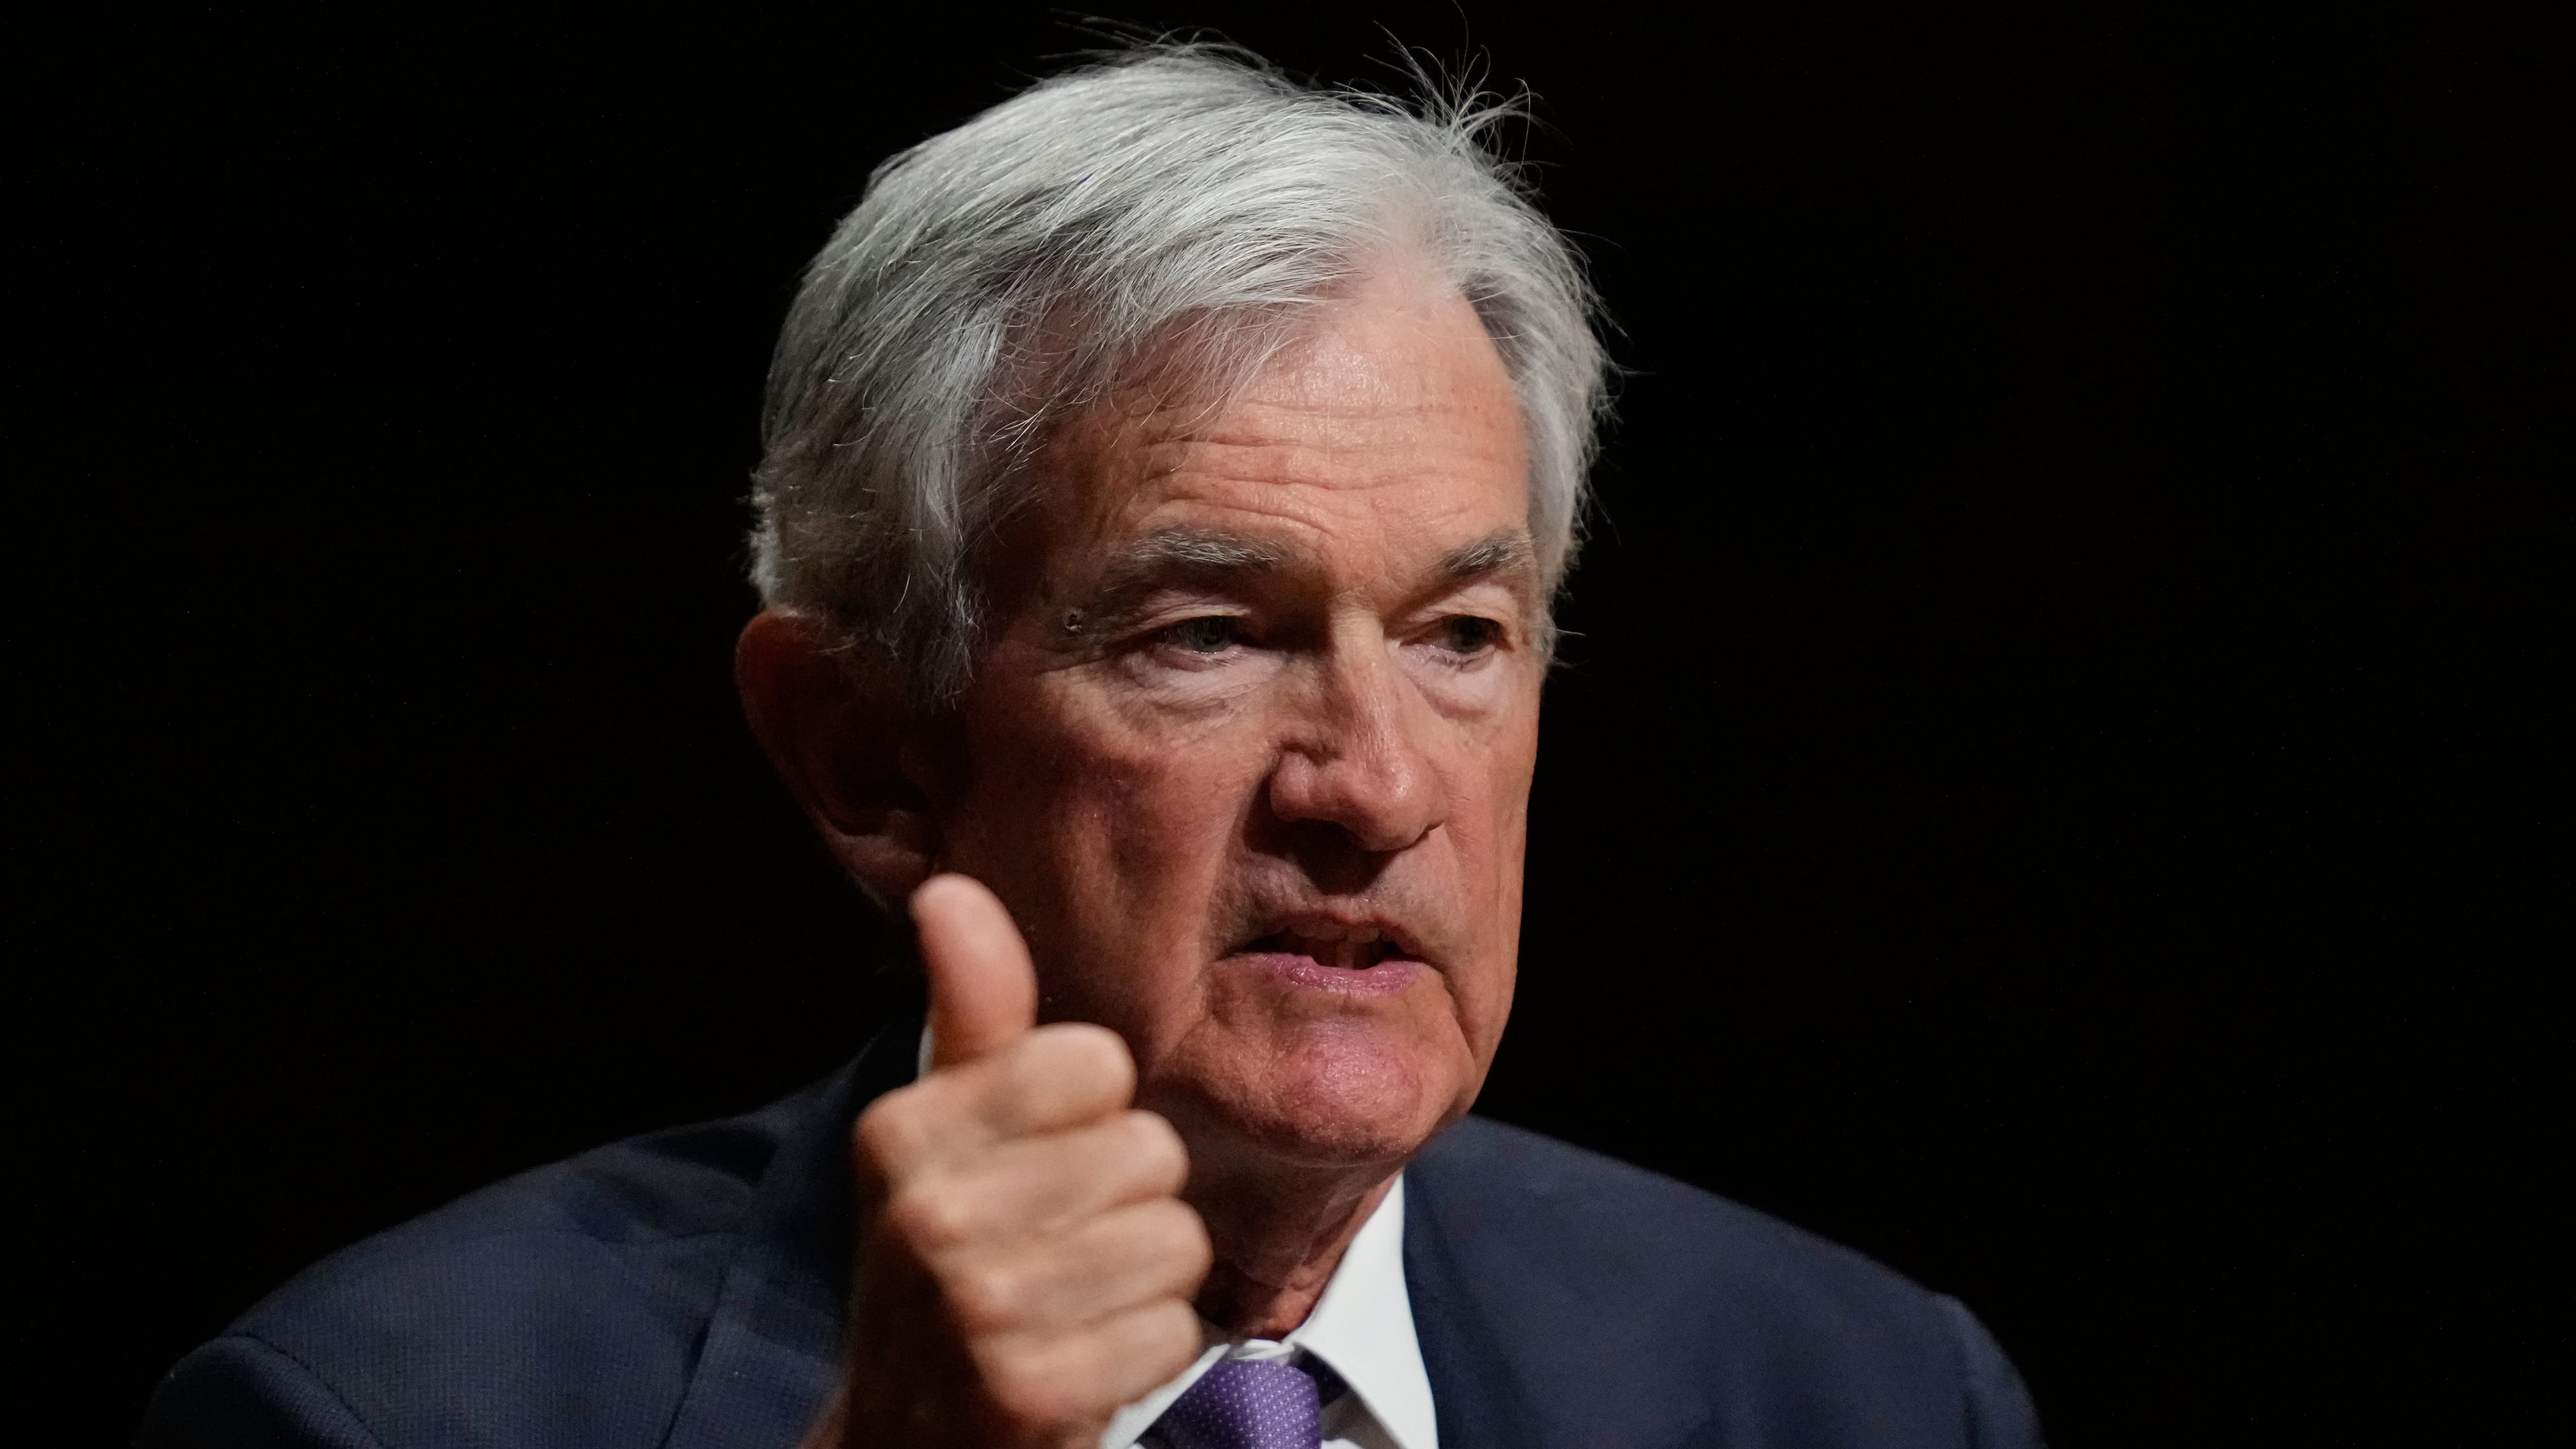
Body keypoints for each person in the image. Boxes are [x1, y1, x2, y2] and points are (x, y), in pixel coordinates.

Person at [142, 46, 2041, 1449]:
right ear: (867, 754)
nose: (1376, 791)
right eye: (1207, 636)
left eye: (1460, 637)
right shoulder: (378, 1413)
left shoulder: (1860, 1393)